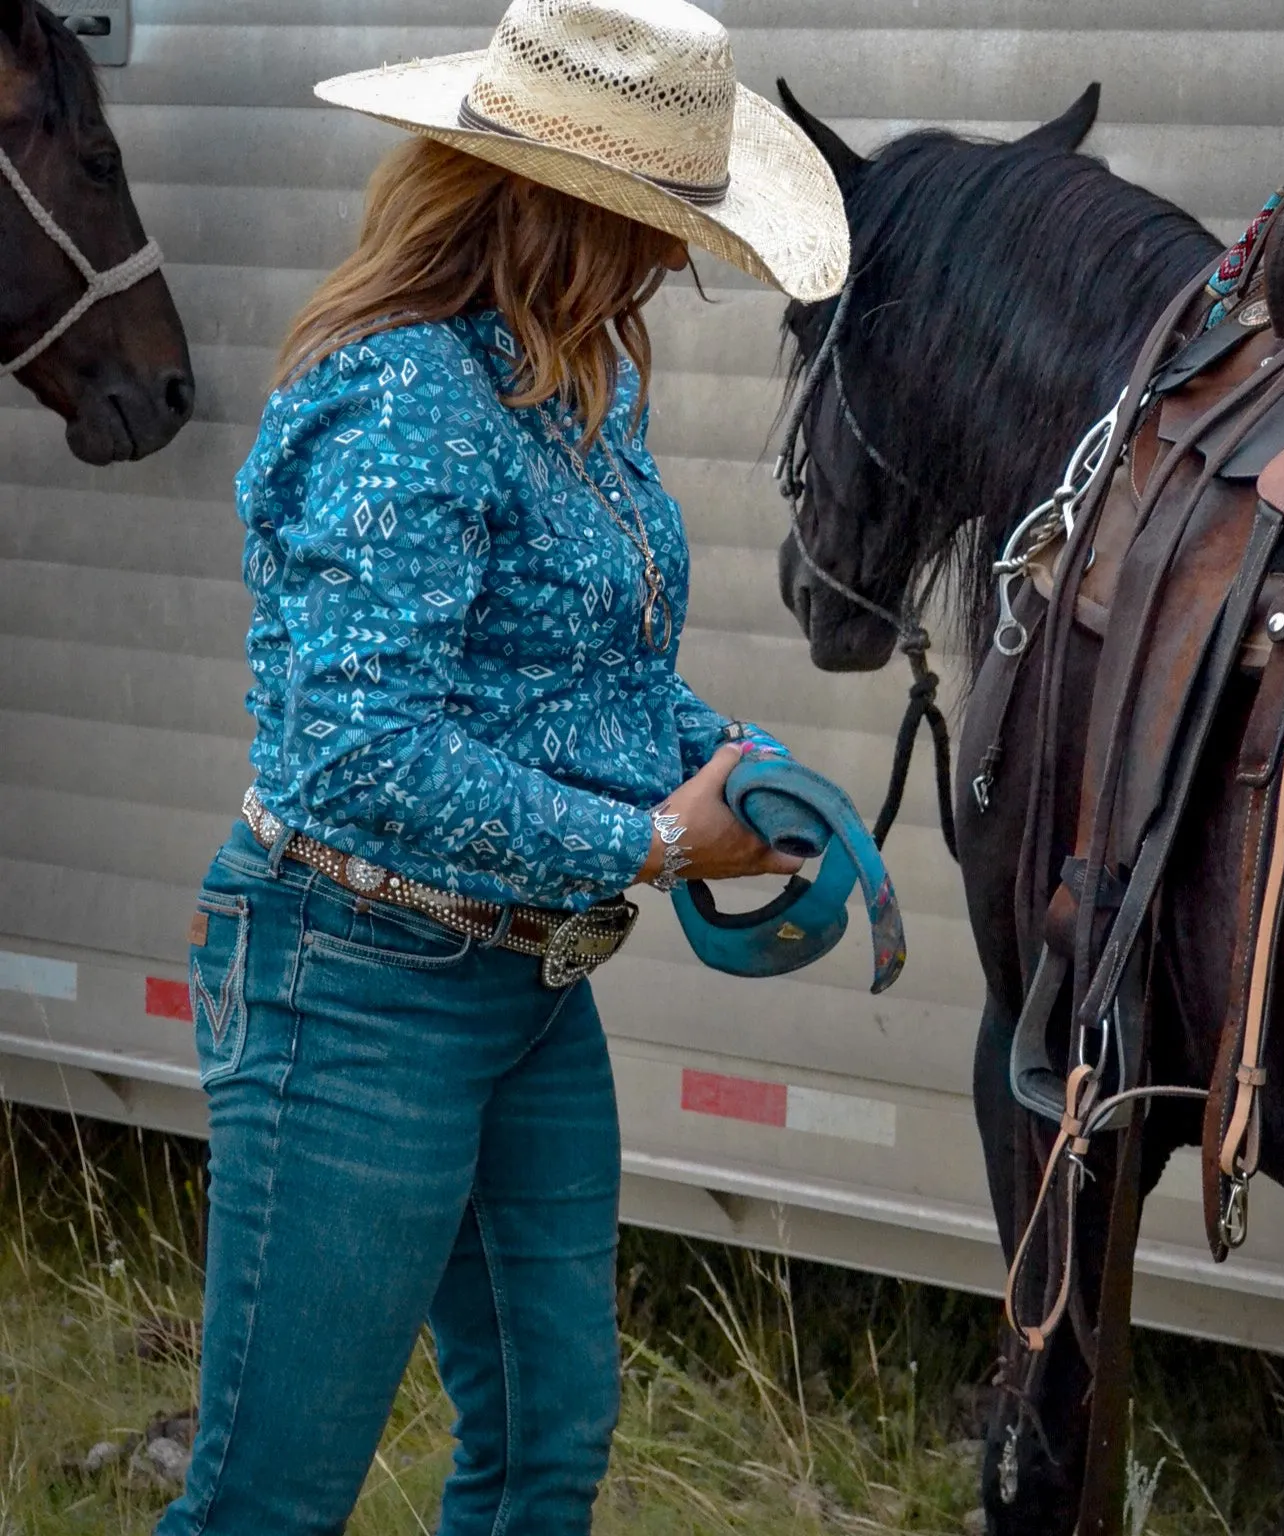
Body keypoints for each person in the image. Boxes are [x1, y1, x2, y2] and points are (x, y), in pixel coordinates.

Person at [156, 3, 848, 1532]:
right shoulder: (406, 395)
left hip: (523, 986)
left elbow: (590, 682)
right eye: (661, 229)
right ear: (565, 216)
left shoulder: (577, 390)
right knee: (270, 1498)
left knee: (548, 1449)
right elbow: (356, 755)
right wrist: (657, 849)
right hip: (351, 980)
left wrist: (728, 762)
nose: (677, 266)